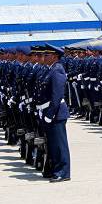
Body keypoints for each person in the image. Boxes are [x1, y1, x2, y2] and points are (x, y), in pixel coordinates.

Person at [40, 44, 71, 182]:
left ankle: (63, 172)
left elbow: (57, 95)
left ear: (54, 56)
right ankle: (55, 169)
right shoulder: (51, 69)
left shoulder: (57, 70)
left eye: (46, 55)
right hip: (50, 111)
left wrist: (50, 114)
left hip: (57, 113)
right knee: (53, 144)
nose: (44, 57)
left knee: (59, 145)